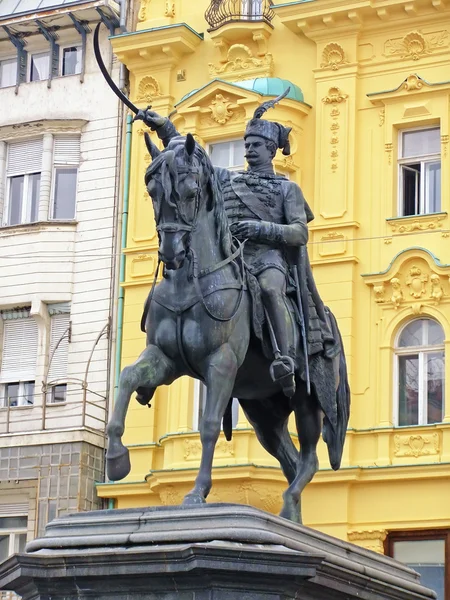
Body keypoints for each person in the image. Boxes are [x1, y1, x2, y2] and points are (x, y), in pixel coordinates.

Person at [135, 98, 336, 398]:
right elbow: (192, 157)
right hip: (231, 257)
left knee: (269, 289)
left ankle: (284, 357)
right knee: (173, 287)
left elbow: (299, 232)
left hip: (268, 258)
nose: (249, 149)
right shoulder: (226, 178)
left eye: (256, 144)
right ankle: (159, 355)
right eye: (247, 143)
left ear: (271, 150)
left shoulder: (287, 189)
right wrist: (164, 127)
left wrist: (261, 229)